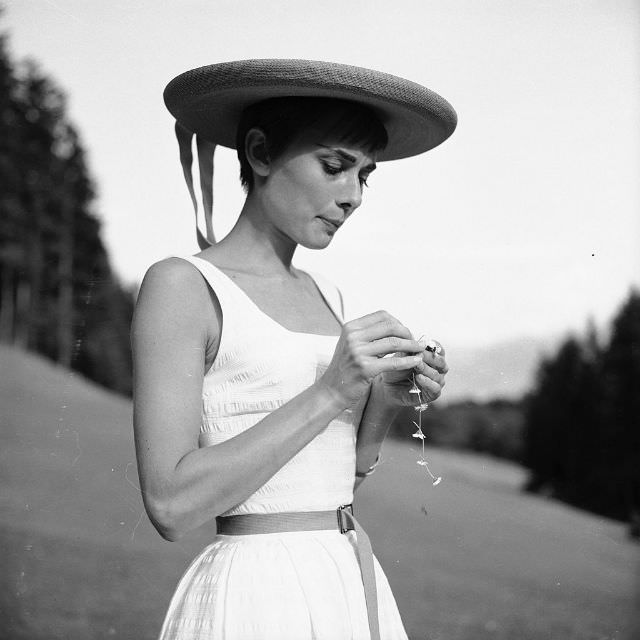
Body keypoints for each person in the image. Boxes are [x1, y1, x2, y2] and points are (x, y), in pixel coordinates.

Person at [132, 59, 456, 640]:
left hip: (345, 580)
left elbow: (328, 484)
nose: (353, 195)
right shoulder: (182, 285)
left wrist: (383, 401)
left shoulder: (327, 295)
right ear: (259, 153)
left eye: (365, 175)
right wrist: (332, 390)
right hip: (256, 595)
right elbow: (171, 505)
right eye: (335, 166)